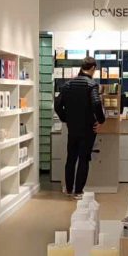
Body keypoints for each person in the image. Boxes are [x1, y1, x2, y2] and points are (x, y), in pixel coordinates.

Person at [54, 58, 106, 197]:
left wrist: (65, 118)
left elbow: (57, 105)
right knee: (83, 159)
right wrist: (101, 120)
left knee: (71, 158)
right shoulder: (91, 85)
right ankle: (78, 191)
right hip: (88, 129)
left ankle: (68, 189)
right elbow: (96, 103)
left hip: (73, 128)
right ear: (93, 68)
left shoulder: (68, 84)